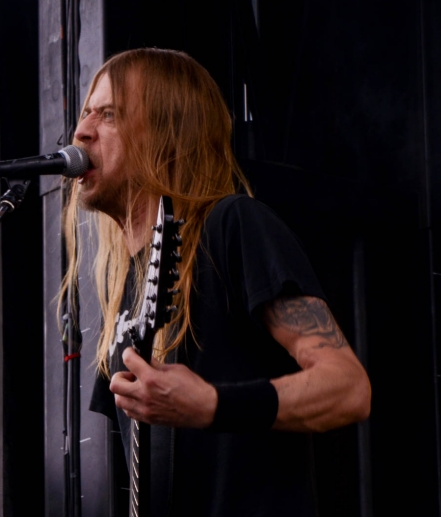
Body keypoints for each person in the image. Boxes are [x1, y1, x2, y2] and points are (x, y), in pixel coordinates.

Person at [59, 48, 371, 516]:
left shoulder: (233, 226)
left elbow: (347, 388)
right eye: (86, 113)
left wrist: (211, 404)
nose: (81, 132)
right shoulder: (122, 288)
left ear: (167, 133)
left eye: (109, 115)